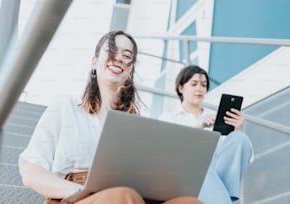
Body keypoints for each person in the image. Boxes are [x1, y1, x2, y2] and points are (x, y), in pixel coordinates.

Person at [18, 30, 202, 204]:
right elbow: (32, 173)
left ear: (130, 71)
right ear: (94, 61)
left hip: (131, 196)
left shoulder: (137, 124)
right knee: (122, 195)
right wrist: (80, 190)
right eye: (111, 50)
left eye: (127, 55)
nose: (119, 58)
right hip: (78, 196)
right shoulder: (66, 106)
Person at [159, 65, 254, 204]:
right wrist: (199, 126)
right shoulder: (169, 117)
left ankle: (223, 197)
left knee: (240, 138)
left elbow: (240, 159)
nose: (200, 88)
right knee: (204, 167)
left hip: (217, 175)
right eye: (194, 84)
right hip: (186, 176)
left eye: (204, 85)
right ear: (181, 88)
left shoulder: (215, 117)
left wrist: (239, 129)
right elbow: (166, 152)